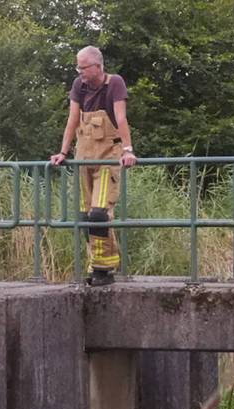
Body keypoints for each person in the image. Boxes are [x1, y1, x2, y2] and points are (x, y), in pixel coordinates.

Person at [49, 46, 137, 287]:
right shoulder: (79, 86)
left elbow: (121, 118)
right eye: (78, 67)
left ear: (97, 66)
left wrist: (128, 150)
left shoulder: (114, 83)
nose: (80, 72)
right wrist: (63, 152)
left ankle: (105, 267)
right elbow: (72, 120)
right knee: (86, 216)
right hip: (84, 157)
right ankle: (96, 264)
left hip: (108, 157)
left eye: (83, 67)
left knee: (99, 214)